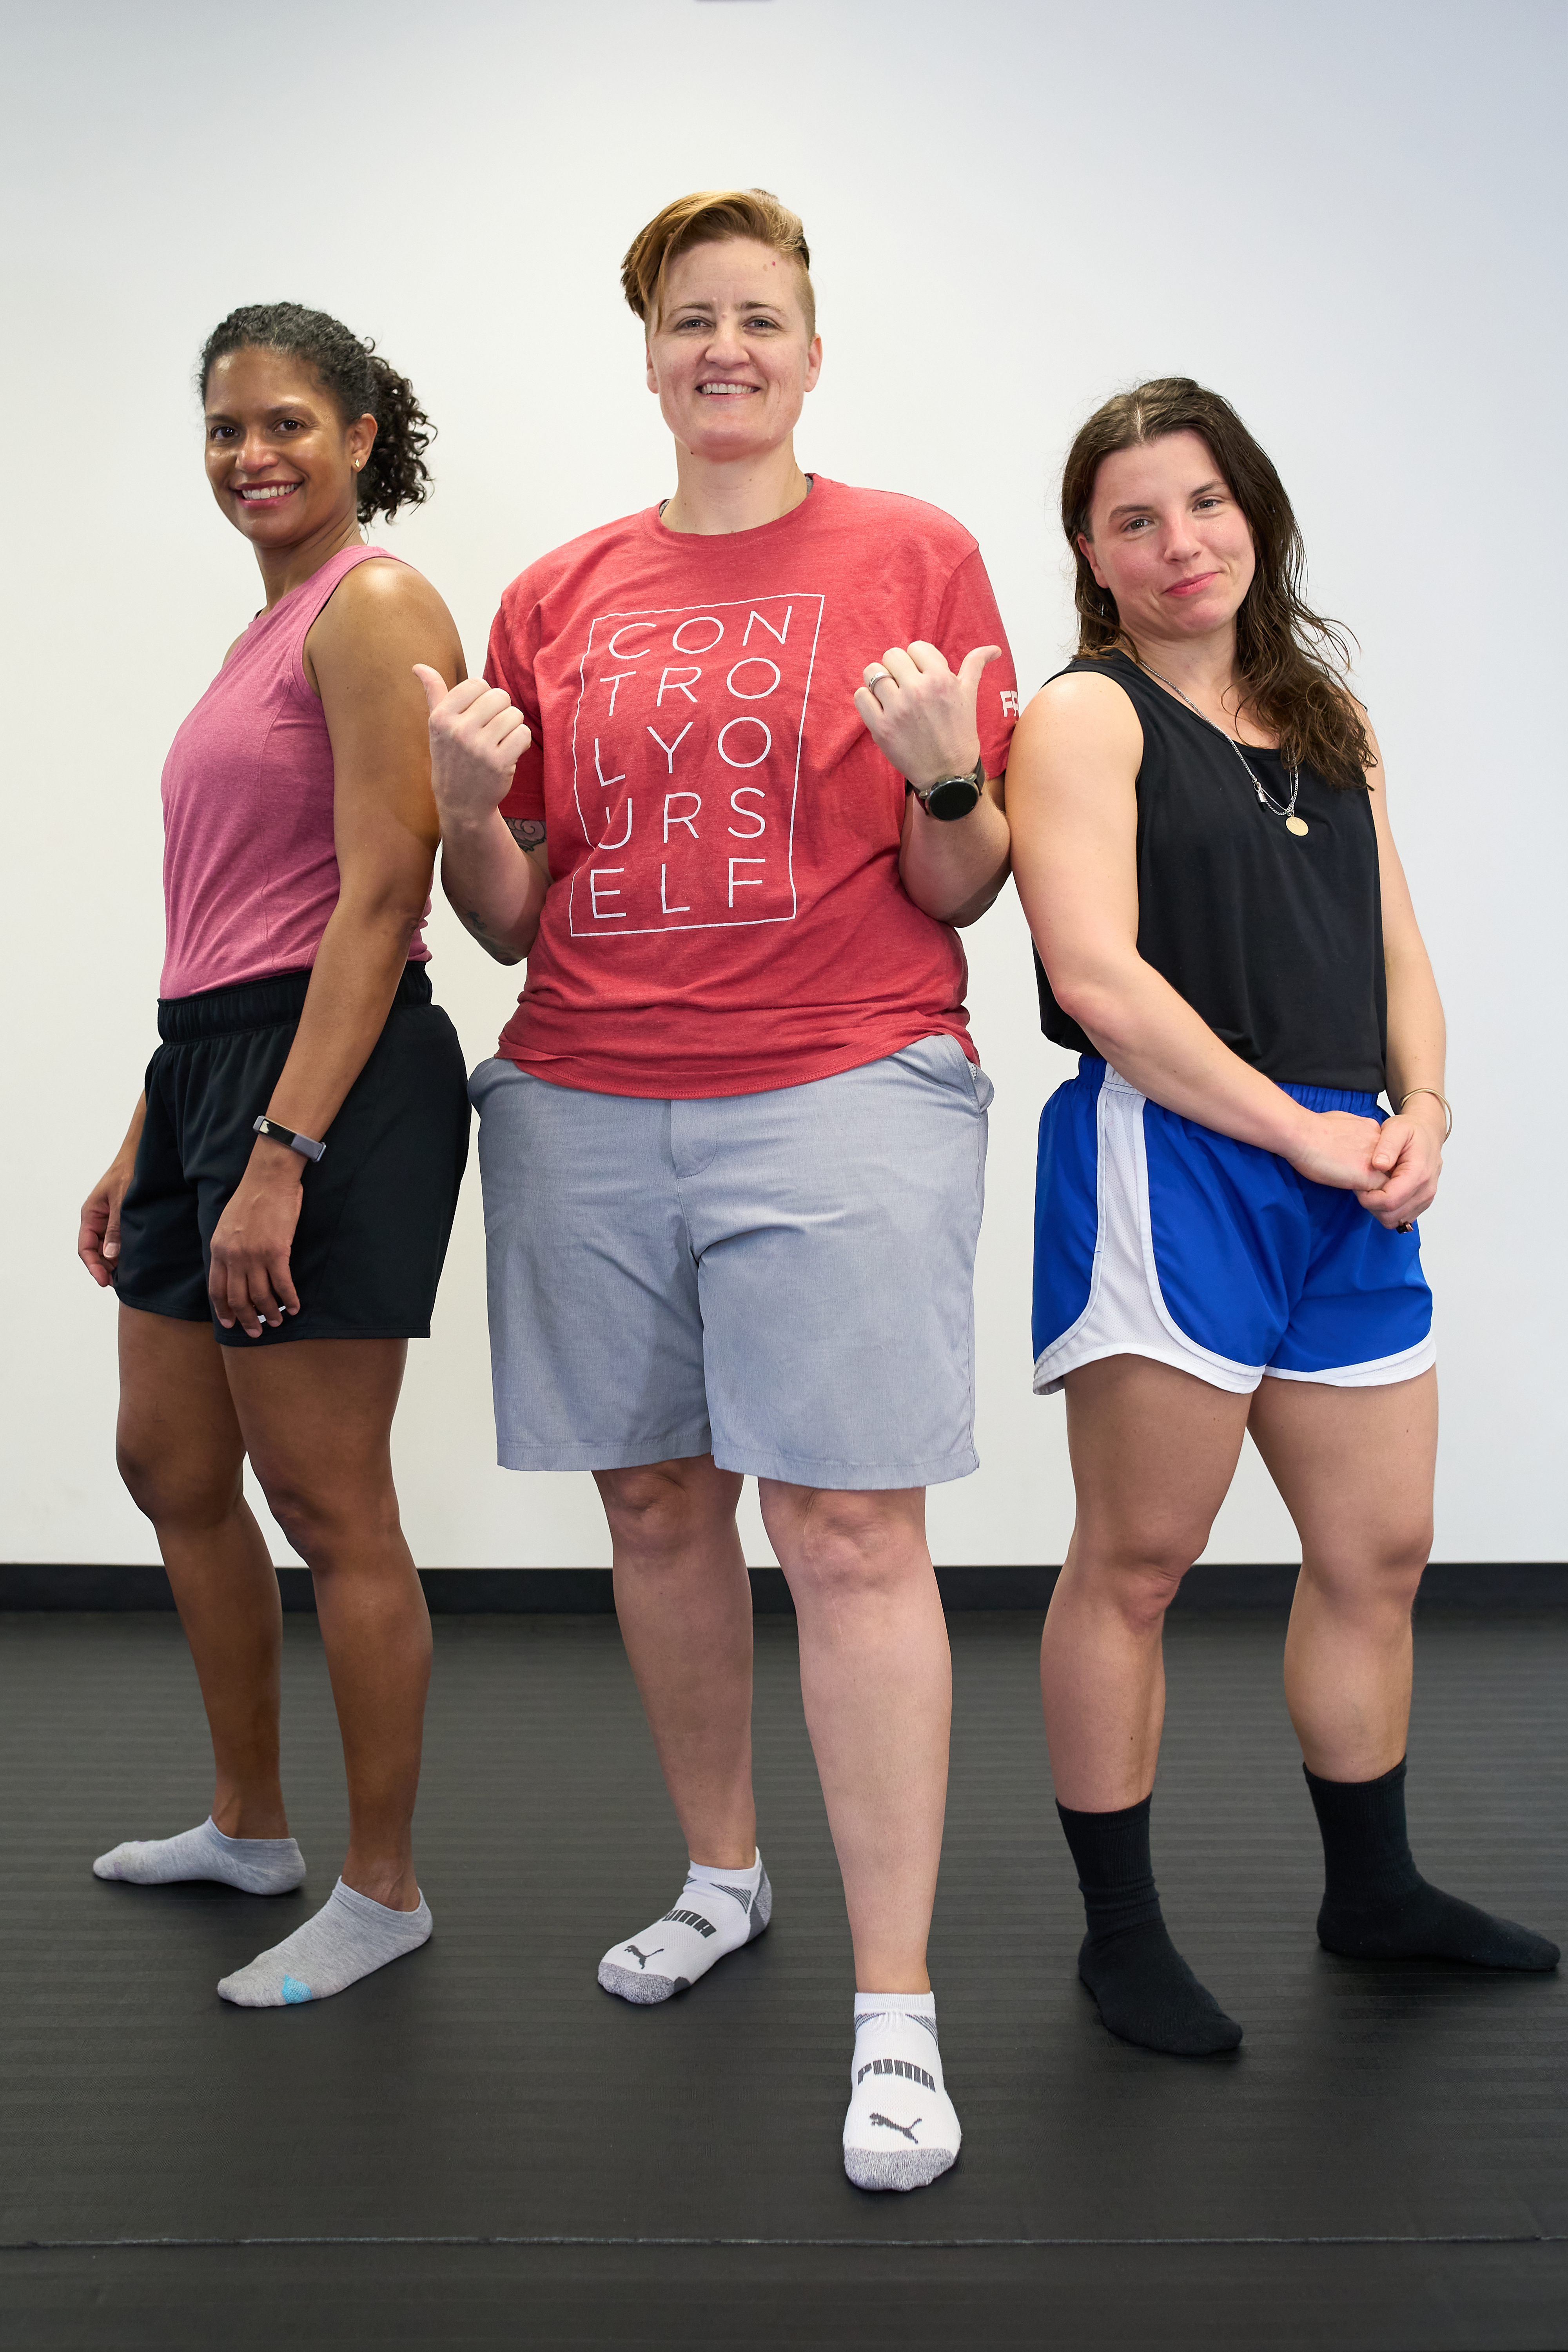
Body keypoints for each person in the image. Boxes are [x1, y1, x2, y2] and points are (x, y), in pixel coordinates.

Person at [419, 189, 1017, 2188]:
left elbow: (960, 880)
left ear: (813, 351)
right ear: (651, 352)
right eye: (693, 319)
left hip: (842, 1082)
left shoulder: (916, 553)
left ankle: (899, 2014)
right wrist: (458, 815)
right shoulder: (558, 589)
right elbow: (510, 918)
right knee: (655, 1496)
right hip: (587, 1092)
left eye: (761, 317)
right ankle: (721, 1875)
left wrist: (951, 780)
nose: (726, 349)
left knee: (846, 1529)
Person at [1006, 376, 1557, 2057]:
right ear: (1094, 559)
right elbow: (1096, 978)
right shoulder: (1083, 717)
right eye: (1134, 520)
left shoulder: (1328, 715)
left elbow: (1396, 947)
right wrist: (1291, 1137)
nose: (1180, 544)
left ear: (1254, 512)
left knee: (1378, 1553)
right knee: (1140, 1562)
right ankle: (1120, 1940)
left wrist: (1427, 1114)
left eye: (1204, 504)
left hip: (1348, 1167)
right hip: (1177, 1155)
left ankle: (1370, 1891)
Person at [78, 304, 471, 2009]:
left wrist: (281, 1147)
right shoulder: (258, 638)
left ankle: (384, 1892)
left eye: (290, 422)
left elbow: (384, 899)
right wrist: (148, 1134)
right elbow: (223, 924)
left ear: (363, 431)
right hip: (211, 1064)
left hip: (339, 1074)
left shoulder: (374, 603)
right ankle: (251, 1825)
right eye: (228, 427)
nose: (255, 454)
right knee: (169, 1462)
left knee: (328, 1499)